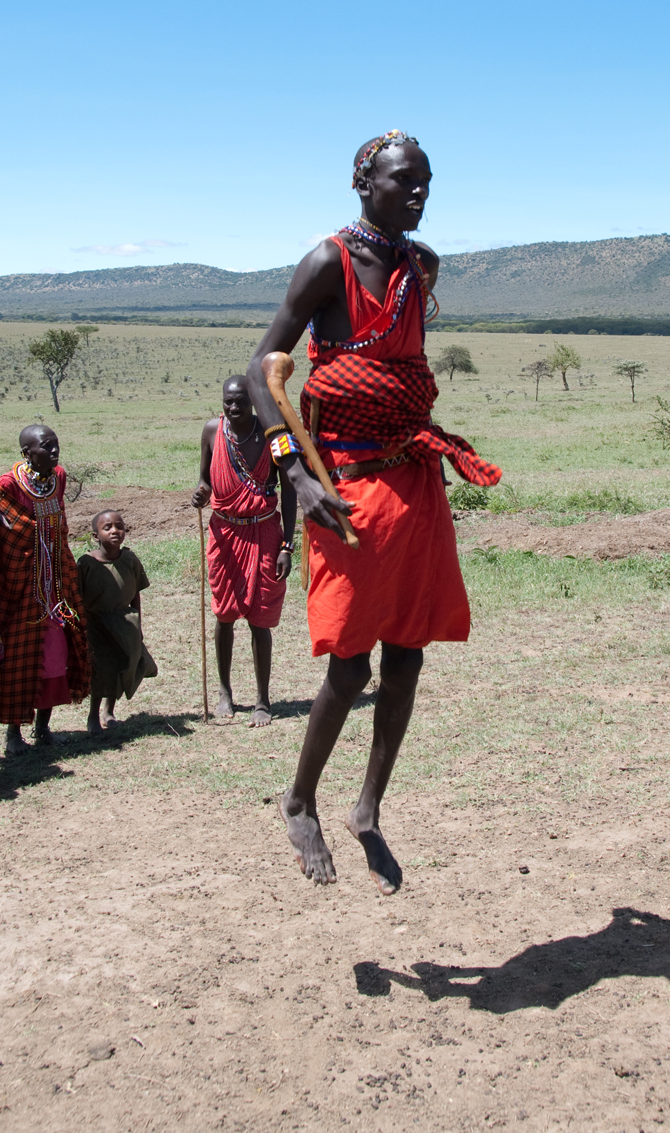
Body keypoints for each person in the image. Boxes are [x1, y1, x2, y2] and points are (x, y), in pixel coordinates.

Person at [246, 130, 500, 895]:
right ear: (364, 183)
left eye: (427, 181)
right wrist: (297, 478)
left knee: (409, 654)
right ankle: (299, 802)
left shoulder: (421, 269)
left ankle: (368, 808)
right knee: (350, 664)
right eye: (403, 180)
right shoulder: (328, 262)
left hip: (415, 480)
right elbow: (261, 376)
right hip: (345, 484)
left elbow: (399, 373)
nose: (419, 193)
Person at [192, 376, 296, 725]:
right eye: (228, 402)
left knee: (260, 617)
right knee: (224, 613)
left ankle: (263, 700)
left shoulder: (273, 433)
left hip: (265, 531)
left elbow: (290, 488)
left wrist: (287, 544)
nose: (233, 408)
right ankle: (224, 692)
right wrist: (201, 491)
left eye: (240, 402)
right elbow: (205, 478)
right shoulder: (211, 431)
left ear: (252, 401)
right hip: (224, 533)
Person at [0, 425, 89, 755]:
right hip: (21, 588)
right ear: (27, 453)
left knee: (55, 657)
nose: (54, 451)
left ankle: (43, 728)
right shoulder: (7, 485)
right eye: (46, 446)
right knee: (19, 658)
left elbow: (57, 521)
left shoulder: (57, 476)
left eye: (56, 444)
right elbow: (6, 530)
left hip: (55, 586)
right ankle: (13, 735)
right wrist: (35, 534)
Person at [78, 509, 157, 737]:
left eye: (119, 526)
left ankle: (109, 711)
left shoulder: (130, 560)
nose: (115, 531)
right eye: (107, 527)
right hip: (97, 625)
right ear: (96, 536)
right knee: (100, 669)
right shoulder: (87, 564)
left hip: (125, 623)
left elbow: (136, 594)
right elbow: (79, 599)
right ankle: (93, 714)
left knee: (123, 665)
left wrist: (138, 624)